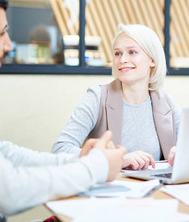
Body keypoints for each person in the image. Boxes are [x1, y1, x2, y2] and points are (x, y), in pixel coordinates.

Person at [0, 0, 126, 222]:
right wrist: (96, 167)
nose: (8, 45)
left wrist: (79, 159)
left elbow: (2, 153)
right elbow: (7, 191)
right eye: (1, 34)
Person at [52, 23, 181, 170]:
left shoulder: (167, 103)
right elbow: (61, 148)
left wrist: (183, 152)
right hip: (110, 187)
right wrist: (116, 159)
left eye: (132, 52)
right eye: (117, 53)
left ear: (152, 60)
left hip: (155, 188)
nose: (122, 60)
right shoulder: (97, 97)